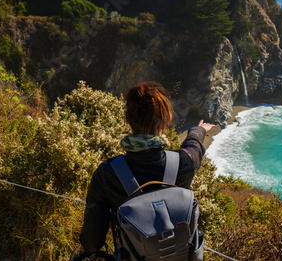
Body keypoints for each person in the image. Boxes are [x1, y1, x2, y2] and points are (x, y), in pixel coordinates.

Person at [79, 81, 214, 254]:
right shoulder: (183, 163)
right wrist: (198, 130)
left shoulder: (107, 173)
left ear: (128, 120)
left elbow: (91, 243)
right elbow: (193, 148)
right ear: (164, 124)